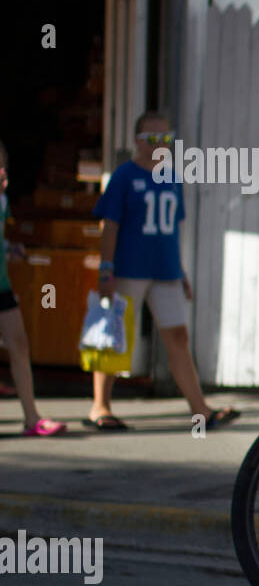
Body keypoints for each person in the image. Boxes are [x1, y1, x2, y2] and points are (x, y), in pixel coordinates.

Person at [88, 112, 239, 431]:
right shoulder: (124, 177)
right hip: (129, 268)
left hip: (165, 270)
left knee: (178, 337)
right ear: (137, 142)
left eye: (165, 138)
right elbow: (110, 225)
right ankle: (100, 407)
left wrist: (181, 272)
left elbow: (172, 231)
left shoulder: (172, 178)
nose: (160, 145)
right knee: (115, 333)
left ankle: (200, 410)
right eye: (152, 138)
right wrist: (106, 269)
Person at [0, 138, 66, 436]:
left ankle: (32, 417)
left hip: (1, 284)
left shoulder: (2, 200)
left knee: (19, 344)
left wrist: (9, 247)